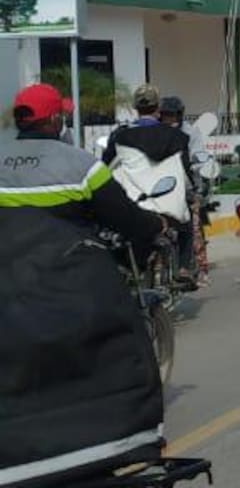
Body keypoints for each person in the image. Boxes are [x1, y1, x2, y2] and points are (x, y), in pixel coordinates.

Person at [1, 83, 169, 486]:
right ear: (56, 120)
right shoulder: (80, 165)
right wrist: (156, 226)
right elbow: (125, 218)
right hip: (68, 281)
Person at [103, 84, 194, 286]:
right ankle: (183, 267)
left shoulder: (120, 136)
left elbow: (105, 166)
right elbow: (185, 170)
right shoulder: (177, 136)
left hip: (135, 205)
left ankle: (126, 271)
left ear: (136, 108)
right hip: (170, 207)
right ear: (158, 108)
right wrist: (193, 191)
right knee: (187, 227)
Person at [159, 95, 210, 286]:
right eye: (166, 115)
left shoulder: (190, 133)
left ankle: (192, 268)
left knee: (192, 228)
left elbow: (198, 156)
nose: (169, 119)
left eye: (172, 115)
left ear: (180, 115)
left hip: (185, 186)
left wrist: (199, 169)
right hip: (158, 187)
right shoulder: (156, 132)